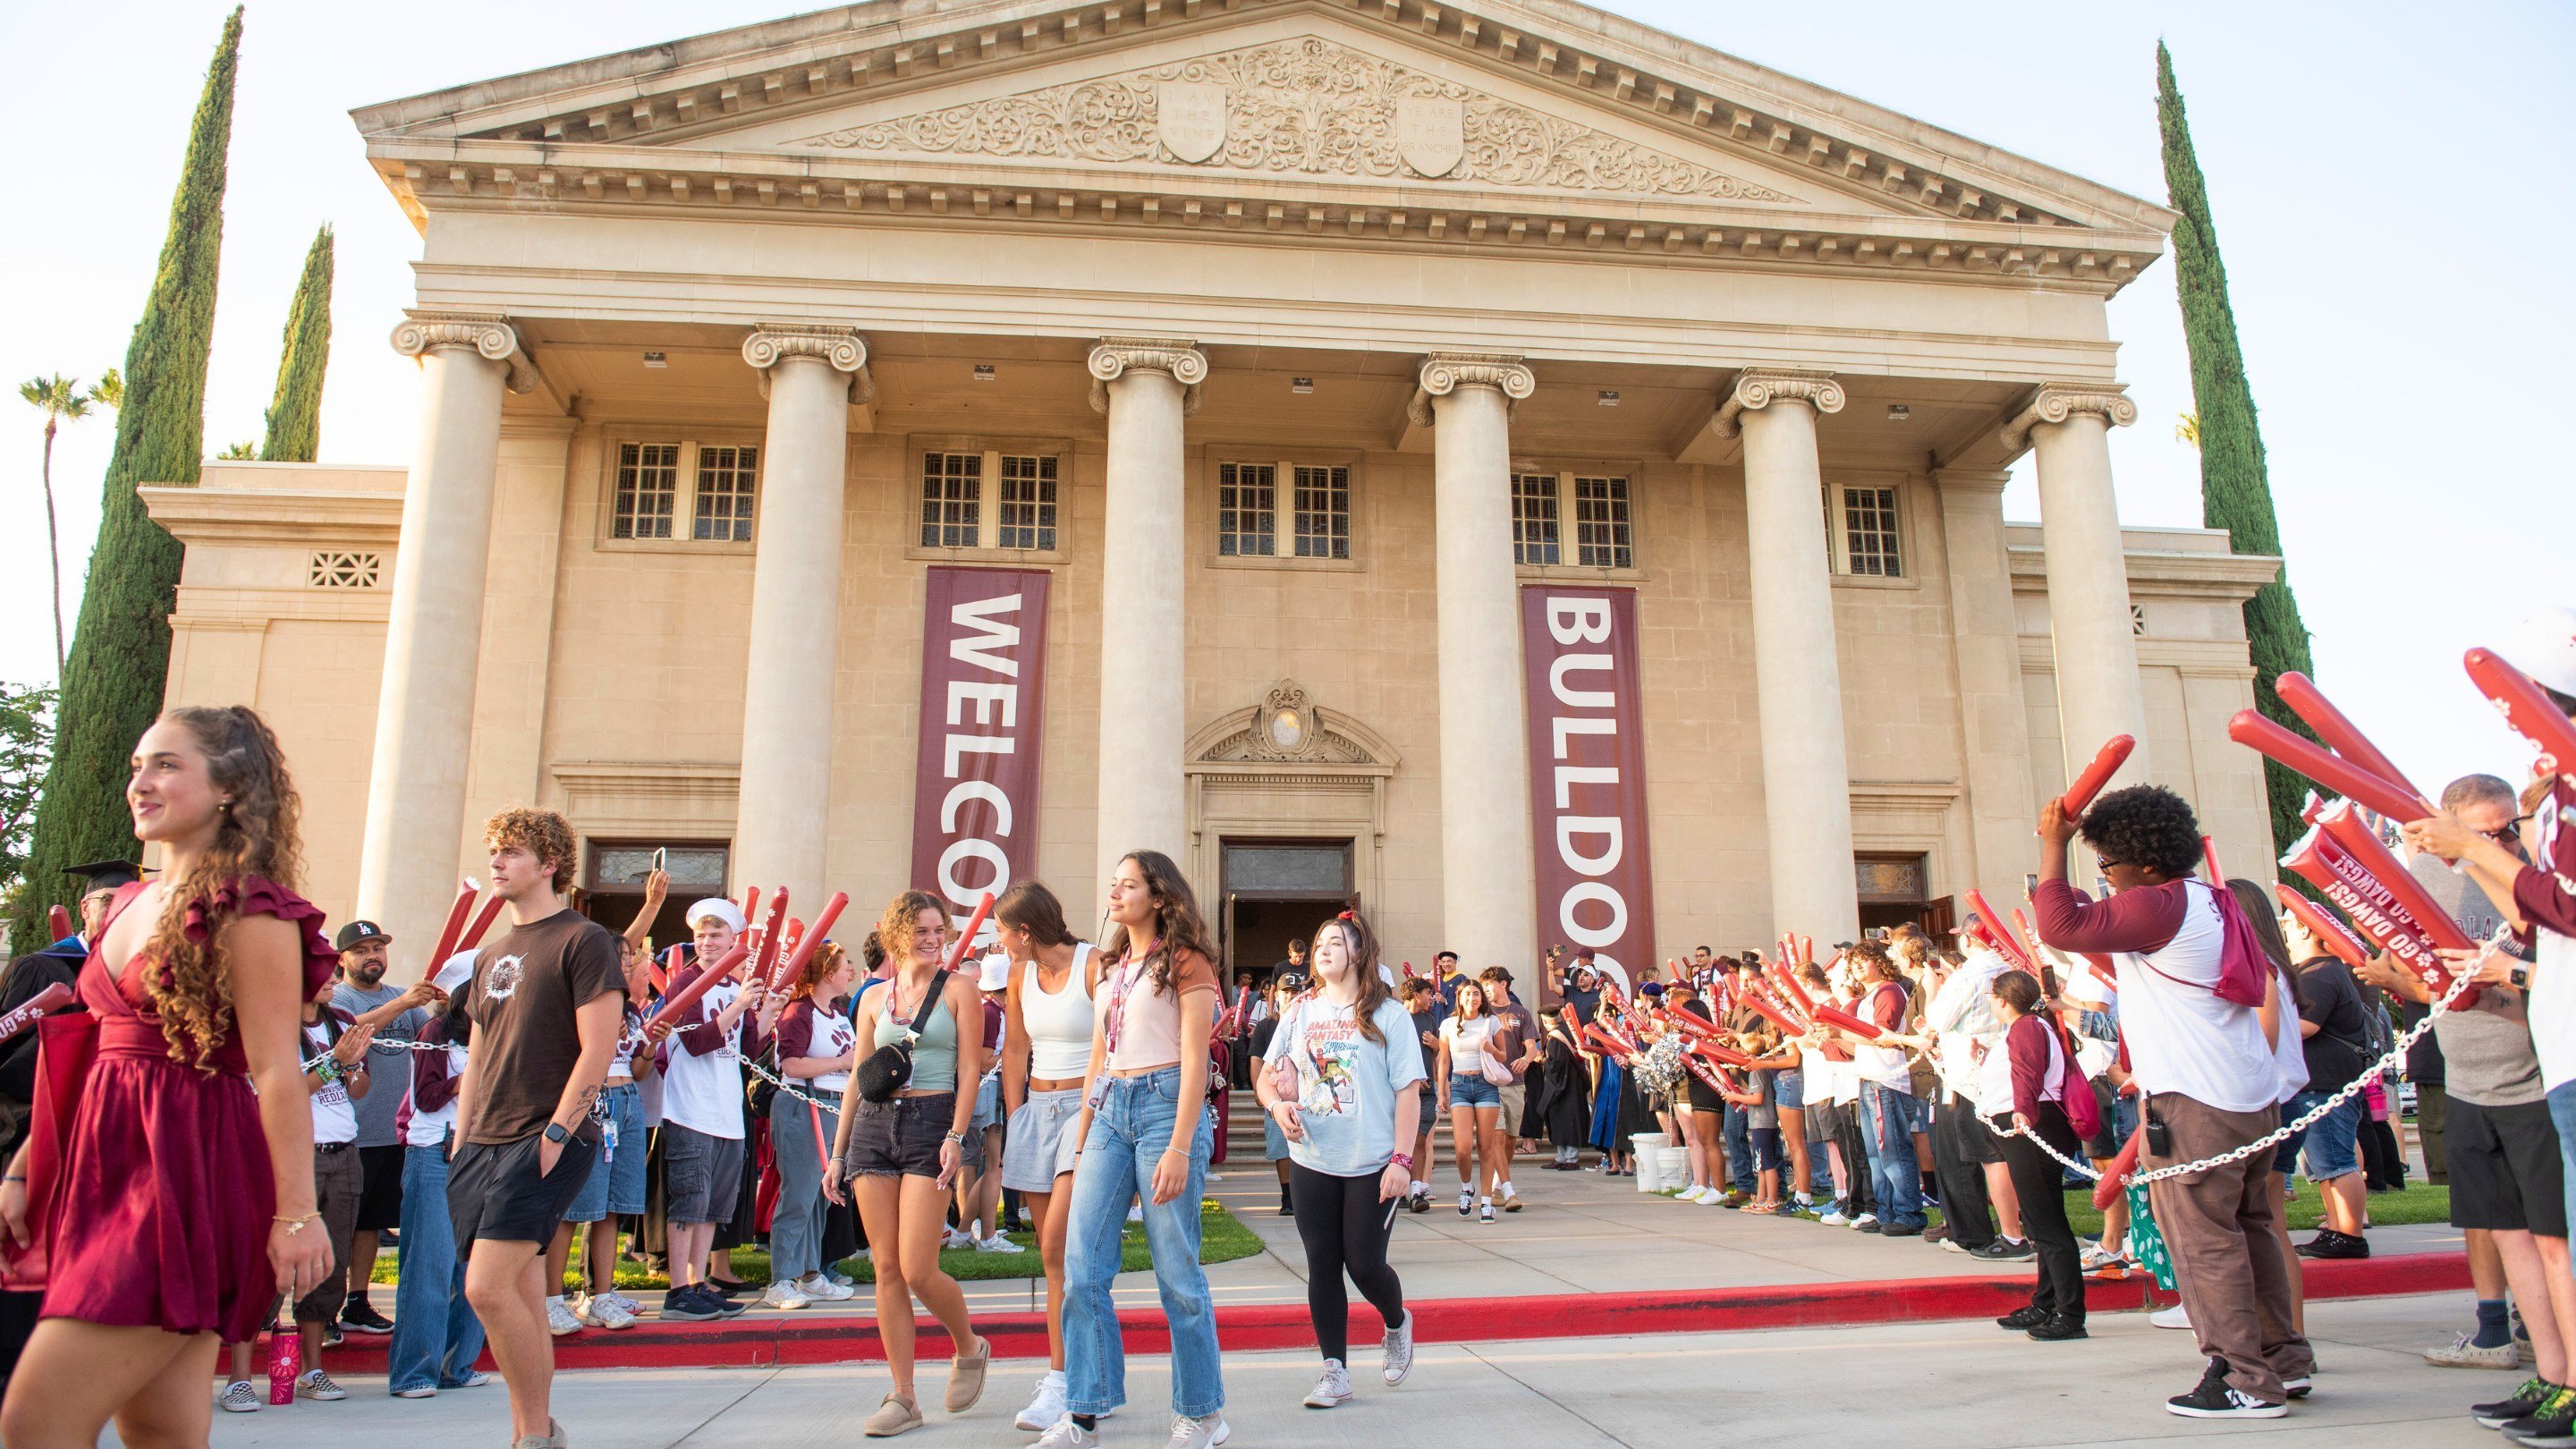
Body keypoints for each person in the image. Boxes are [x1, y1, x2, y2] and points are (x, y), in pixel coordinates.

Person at [0, 708, 336, 1449]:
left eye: (165, 765)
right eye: (136, 766)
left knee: (34, 1423)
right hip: (103, 1169)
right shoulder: (128, 903)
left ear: (228, 787)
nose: (139, 783)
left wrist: (297, 1213)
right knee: (160, 1432)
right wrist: (26, 1169)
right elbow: (88, 1053)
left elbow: (278, 1066)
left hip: (182, 1171)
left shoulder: (251, 909)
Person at [2032, 784, 2311, 1419]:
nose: (2105, 879)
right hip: (2247, 1091)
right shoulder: (2211, 900)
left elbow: (2060, 925)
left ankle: (2243, 1378)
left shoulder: (2161, 906)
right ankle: (2283, 1361)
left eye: (2108, 865)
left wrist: (2053, 846)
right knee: (2252, 1229)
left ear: (2148, 864)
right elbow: (2083, 922)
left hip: (2195, 1100)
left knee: (2204, 1241)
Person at [446, 807, 628, 1449]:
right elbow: (477, 1053)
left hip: (545, 1138)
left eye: (512, 852)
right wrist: (463, 1140)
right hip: (482, 1143)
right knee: (518, 1295)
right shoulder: (489, 954)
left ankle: (532, 1435)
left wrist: (556, 1133)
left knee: (485, 1288)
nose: (496, 862)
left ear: (549, 864)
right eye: (494, 851)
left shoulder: (583, 940)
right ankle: (536, 1430)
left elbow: (598, 1049)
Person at [1036, 851, 1226, 1449]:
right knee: (1082, 1269)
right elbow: (1101, 1054)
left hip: (1167, 1106)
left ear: (1160, 897)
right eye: (1114, 884)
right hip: (1110, 1111)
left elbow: (1197, 1059)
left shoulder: (1187, 963)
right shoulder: (1112, 966)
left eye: (1128, 885)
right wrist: (1086, 1128)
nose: (1114, 894)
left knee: (1177, 1273)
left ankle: (1201, 1414)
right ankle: (1085, 1412)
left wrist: (1177, 1146)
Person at [2377, 774, 2546, 1370]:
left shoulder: (2536, 877)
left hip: (2541, 1073)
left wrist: (2504, 975)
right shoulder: (2426, 878)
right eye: (2482, 834)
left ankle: (2554, 1356)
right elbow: (2420, 974)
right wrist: (2399, 979)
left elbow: (2551, 974)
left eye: (2508, 831)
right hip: (2467, 1072)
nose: (2499, 844)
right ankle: (2500, 1333)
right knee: (2490, 1216)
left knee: (2551, 1230)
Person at [824, 889, 993, 1437]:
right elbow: (858, 1077)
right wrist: (838, 1151)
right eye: (921, 931)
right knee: (887, 1267)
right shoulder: (873, 997)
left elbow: (970, 1069)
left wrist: (956, 1134)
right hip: (874, 1128)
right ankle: (903, 1395)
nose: (932, 939)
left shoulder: (960, 990)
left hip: (932, 1125)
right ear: (898, 936)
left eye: (938, 930)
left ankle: (969, 1346)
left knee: (919, 1267)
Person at [1257, 909, 1421, 1409]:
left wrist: (1402, 1160)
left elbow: (1409, 1093)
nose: (1322, 949)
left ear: (1359, 952)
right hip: (1311, 1156)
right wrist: (1276, 1103)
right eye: (1319, 943)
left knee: (1365, 1265)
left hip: (1372, 1160)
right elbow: (1264, 1077)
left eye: (1335, 942)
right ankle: (1335, 1371)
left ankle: (1396, 1322)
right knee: (1322, 1263)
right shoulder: (1300, 1011)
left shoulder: (1388, 1015)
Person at [0, 860, 140, 1385]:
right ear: (85, 907)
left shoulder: (133, 978)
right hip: (32, 1141)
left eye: (128, 902)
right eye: (106, 902)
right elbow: (8, 1063)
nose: (116, 912)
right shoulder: (44, 969)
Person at [994, 881, 1101, 1431]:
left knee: (1060, 1242)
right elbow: (1015, 1047)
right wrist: (1017, 1115)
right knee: (1052, 1258)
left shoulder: (1092, 964)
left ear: (1025, 931)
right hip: (1036, 1109)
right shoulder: (1017, 975)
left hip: (1087, 1110)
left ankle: (1065, 1382)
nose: (997, 940)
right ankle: (1072, 1378)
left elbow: (1112, 1042)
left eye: (1001, 930)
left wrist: (1087, 1118)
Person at [647, 898, 772, 1323]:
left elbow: (749, 1050)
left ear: (734, 941)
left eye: (716, 935)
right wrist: (739, 1006)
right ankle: (678, 1289)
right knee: (689, 1201)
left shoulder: (733, 987)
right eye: (701, 935)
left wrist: (764, 1011)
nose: (706, 942)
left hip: (726, 1111)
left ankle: (699, 1282)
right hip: (690, 1108)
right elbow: (697, 1042)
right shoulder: (687, 983)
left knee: (715, 1205)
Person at [330, 917, 445, 1339]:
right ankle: (325, 1303)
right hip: (349, 1134)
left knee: (370, 1224)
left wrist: (443, 1004)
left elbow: (432, 1034)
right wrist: (405, 1004)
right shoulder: (337, 997)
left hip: (393, 1134)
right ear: (343, 959)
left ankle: (357, 1301)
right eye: (361, 950)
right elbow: (350, 1032)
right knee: (339, 1224)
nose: (372, 956)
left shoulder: (402, 998)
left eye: (378, 948)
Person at [386, 951, 492, 1398]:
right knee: (429, 1268)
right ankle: (414, 1371)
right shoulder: (435, 1033)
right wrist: (471, 1076)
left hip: (483, 1156)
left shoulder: (498, 1034)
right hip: (436, 1154)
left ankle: (457, 1364)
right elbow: (427, 1098)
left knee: (475, 1269)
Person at [551, 936, 656, 1328]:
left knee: (613, 1205)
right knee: (577, 1204)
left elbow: (641, 1071)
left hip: (627, 1098)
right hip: (593, 1101)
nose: (627, 964)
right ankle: (552, 1297)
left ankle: (602, 1295)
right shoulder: (581, 1000)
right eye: (621, 957)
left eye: (630, 958)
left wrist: (649, 1048)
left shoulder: (630, 1011)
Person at [1987, 969, 2094, 1342]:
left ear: (2002, 999)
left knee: (2047, 1223)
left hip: (2033, 1126)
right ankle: (2046, 1302)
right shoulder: (2029, 1026)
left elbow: (2028, 1071)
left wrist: (2024, 1109)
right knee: (2039, 1221)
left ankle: (2069, 1312)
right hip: (2030, 1124)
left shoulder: (2027, 1027)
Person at [763, 938, 860, 1310]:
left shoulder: (837, 1013)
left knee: (821, 1195)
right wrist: (842, 1063)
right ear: (826, 971)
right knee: (799, 1194)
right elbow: (790, 1064)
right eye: (845, 964)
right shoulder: (799, 1012)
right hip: (804, 1106)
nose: (851, 970)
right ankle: (781, 1279)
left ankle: (809, 1271)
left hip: (833, 1108)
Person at [2278, 897, 2374, 1258]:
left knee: (2335, 1162)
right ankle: (2337, 1228)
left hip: (2327, 1082)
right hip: (2323, 1081)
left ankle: (2349, 1234)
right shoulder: (2321, 970)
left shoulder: (2319, 973)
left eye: (2288, 923)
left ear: (2305, 928)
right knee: (2325, 1163)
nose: (2284, 929)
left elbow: (2305, 1026)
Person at [1436, 979, 1507, 1222]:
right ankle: (1467, 1187)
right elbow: (1444, 1060)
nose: (1473, 998)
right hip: (1459, 1085)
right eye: (1468, 994)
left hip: (1486, 1085)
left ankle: (1486, 1202)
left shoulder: (1491, 1022)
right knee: (1463, 1148)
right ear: (1460, 997)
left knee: (1487, 1146)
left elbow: (1503, 1055)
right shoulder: (1447, 1024)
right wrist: (1441, 1091)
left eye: (1476, 994)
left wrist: (1489, 1048)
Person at [1479, 967, 1536, 1210]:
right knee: (1498, 1136)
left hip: (1515, 1082)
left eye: (1490, 985)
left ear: (1504, 984)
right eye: (1484, 986)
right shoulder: (1482, 1014)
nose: (1486, 990)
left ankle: (1498, 1185)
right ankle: (1508, 1189)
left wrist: (1527, 1059)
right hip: (1489, 1083)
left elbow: (1532, 1046)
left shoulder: (1520, 1013)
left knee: (1511, 1138)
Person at [1251, 977, 1301, 1215]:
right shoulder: (1266, 1025)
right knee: (1282, 1149)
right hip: (1278, 1096)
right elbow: (1256, 1060)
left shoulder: (1307, 1019)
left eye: (1295, 992)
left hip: (1305, 1098)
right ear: (1277, 996)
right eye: (1286, 992)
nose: (1290, 996)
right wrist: (1260, 1092)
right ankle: (1288, 1198)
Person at [1398, 978, 1441, 1201]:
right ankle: (1399, 1191)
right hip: (1401, 1092)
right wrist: (1412, 1078)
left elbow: (1437, 1057)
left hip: (1426, 1094)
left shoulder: (1430, 1020)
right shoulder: (1396, 1018)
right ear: (1416, 995)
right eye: (1427, 992)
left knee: (1421, 1140)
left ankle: (1416, 1191)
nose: (1430, 997)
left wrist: (1437, 1046)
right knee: (1400, 1141)